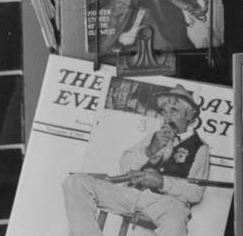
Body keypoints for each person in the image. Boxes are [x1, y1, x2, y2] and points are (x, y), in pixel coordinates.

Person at [63, 84, 209, 236]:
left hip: (167, 204)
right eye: (164, 112)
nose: (167, 118)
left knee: (174, 226)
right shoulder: (155, 137)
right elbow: (125, 166)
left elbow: (196, 192)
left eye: (174, 111)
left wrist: (162, 183)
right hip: (132, 194)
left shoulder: (200, 148)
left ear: (190, 116)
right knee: (75, 182)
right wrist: (150, 150)